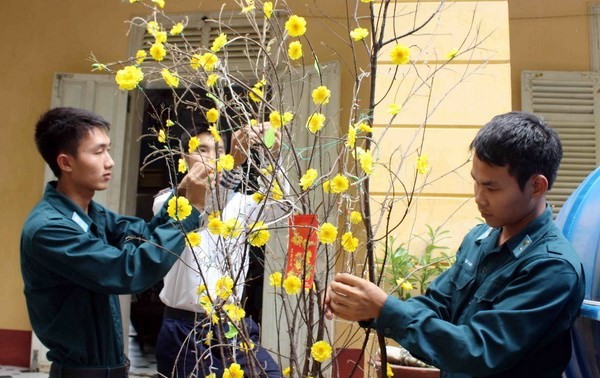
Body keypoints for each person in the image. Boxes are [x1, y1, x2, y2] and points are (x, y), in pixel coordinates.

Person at [325, 111, 585, 378]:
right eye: (475, 182)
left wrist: (384, 309)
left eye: (492, 188)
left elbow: (477, 350)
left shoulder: (551, 267)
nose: (479, 198)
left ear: (536, 186)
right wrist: (365, 306)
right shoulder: (481, 238)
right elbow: (437, 306)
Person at [20, 107, 207, 378]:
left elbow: (144, 234)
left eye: (108, 150)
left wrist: (181, 194)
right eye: (98, 152)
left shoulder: (91, 213)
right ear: (66, 162)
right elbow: (128, 271)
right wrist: (193, 209)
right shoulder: (50, 229)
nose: (110, 162)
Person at [154, 122, 285, 378]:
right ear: (184, 157)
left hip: (232, 325)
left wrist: (272, 155)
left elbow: (281, 207)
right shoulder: (168, 202)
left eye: (219, 150)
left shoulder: (241, 204)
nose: (212, 157)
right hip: (185, 328)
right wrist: (234, 164)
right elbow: (206, 209)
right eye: (202, 149)